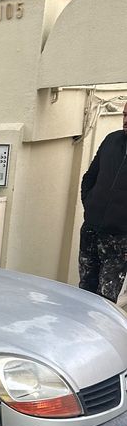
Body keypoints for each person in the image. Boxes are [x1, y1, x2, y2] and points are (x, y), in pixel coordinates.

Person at [79, 101, 127, 301]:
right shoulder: (112, 140)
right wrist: (90, 206)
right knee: (83, 292)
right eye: (125, 114)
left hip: (119, 240)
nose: (125, 120)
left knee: (104, 300)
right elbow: (90, 177)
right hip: (91, 231)